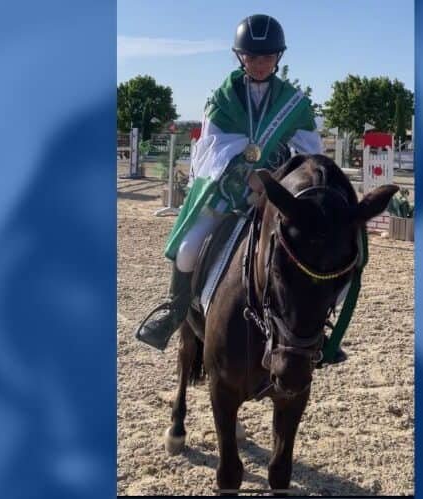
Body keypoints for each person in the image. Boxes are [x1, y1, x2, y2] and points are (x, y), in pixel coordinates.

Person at [136, 14, 352, 364]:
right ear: (241, 57)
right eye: (253, 56)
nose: (261, 64)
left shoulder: (295, 104)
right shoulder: (221, 99)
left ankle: (316, 330)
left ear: (278, 57)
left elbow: (311, 152)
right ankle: (175, 312)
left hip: (276, 196)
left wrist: (280, 172)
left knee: (317, 255)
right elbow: (210, 149)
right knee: (189, 250)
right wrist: (244, 174)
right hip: (225, 194)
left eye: (268, 57)